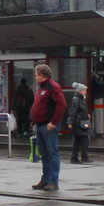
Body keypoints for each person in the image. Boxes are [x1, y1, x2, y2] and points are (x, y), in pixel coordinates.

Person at [30, 63, 66, 191]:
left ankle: (53, 181)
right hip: (40, 125)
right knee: (44, 154)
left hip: (48, 125)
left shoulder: (53, 87)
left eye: (36, 75)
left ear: (41, 75)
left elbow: (61, 105)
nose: (35, 78)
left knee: (52, 153)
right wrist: (34, 122)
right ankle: (45, 180)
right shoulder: (42, 88)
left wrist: (54, 122)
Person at [65, 82, 92, 164]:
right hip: (79, 123)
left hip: (80, 122)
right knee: (84, 140)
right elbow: (73, 111)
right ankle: (82, 157)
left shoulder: (80, 99)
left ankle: (76, 158)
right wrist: (70, 122)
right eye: (84, 90)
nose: (86, 92)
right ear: (80, 91)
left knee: (78, 141)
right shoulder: (77, 99)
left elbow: (79, 110)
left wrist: (86, 115)